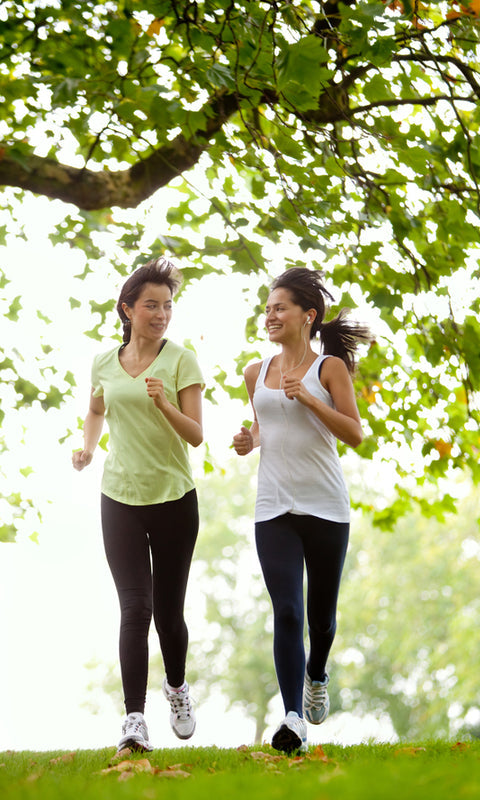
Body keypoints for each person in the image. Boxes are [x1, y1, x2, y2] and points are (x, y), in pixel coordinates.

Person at [233, 267, 371, 754]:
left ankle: (317, 673)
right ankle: (293, 717)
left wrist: (310, 398)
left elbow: (353, 434)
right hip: (273, 507)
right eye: (267, 308)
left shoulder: (328, 367)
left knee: (322, 619)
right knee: (287, 610)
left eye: (280, 308)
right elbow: (265, 428)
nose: (270, 315)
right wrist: (249, 441)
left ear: (307, 316)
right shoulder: (256, 372)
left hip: (325, 506)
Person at [72, 257, 204, 752]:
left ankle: (176, 687)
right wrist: (87, 447)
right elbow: (95, 406)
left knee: (169, 614)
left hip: (174, 498)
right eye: (151, 305)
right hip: (119, 497)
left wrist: (165, 403)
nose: (161, 313)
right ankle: (133, 720)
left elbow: (195, 436)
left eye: (167, 305)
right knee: (135, 608)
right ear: (128, 309)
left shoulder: (181, 360)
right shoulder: (105, 361)